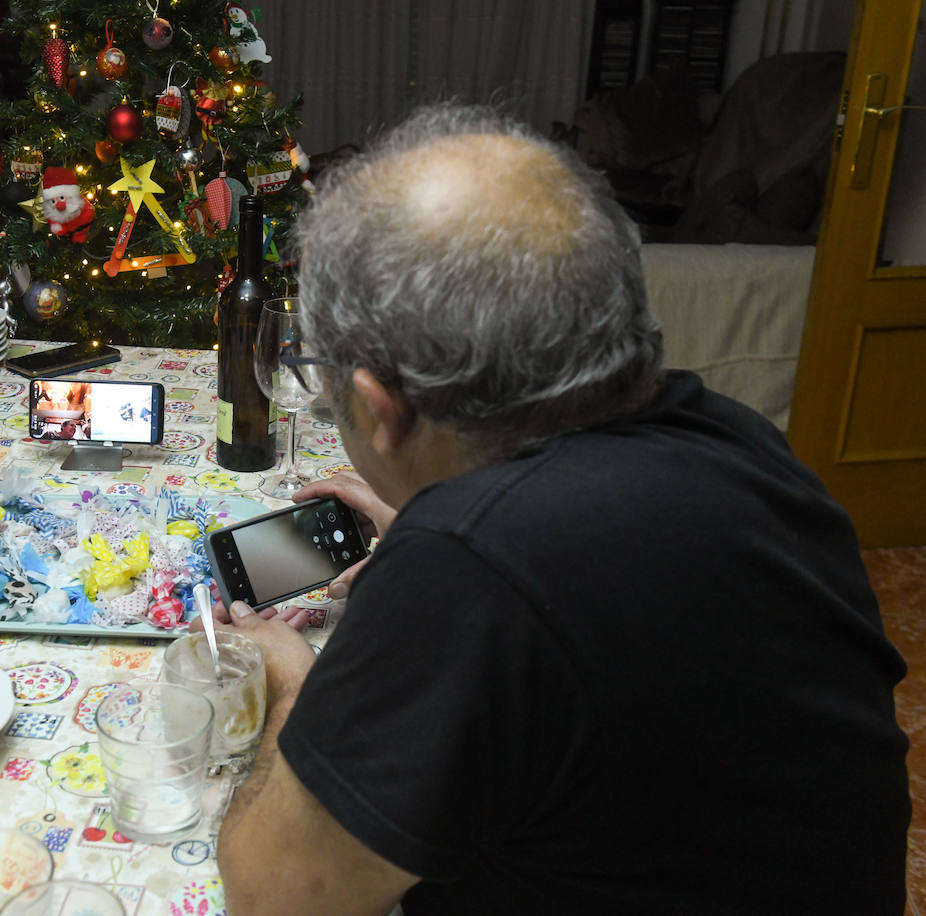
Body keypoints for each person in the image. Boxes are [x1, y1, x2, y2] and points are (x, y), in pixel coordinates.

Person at [207, 104, 909, 914]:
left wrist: (294, 687)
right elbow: (602, 599)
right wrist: (443, 539)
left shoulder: (470, 568)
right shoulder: (738, 440)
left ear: (377, 406)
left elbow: (273, 896)